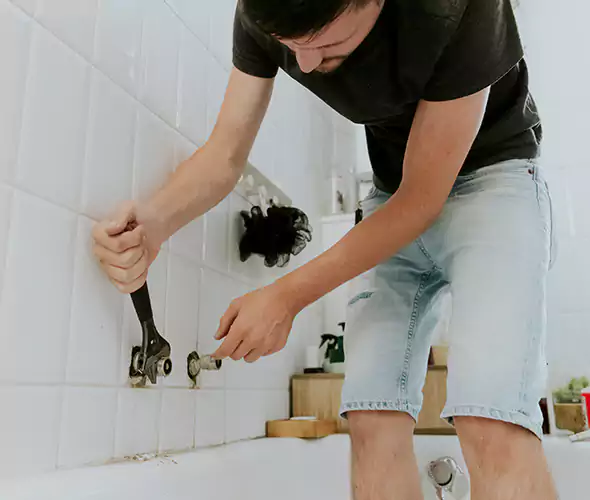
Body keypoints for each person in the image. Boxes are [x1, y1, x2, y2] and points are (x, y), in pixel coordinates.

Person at [92, 0, 558, 498]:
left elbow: (421, 199)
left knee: (490, 420)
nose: (306, 64)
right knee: (371, 418)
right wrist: (155, 223)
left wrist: (287, 296)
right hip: (391, 193)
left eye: (326, 43)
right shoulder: (263, 11)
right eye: (291, 47)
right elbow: (224, 155)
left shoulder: (459, 7)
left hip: (493, 180)